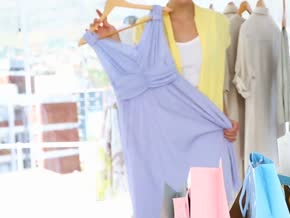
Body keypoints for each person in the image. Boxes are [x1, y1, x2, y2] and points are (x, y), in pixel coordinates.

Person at [89, 0, 240, 142]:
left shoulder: (218, 23)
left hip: (211, 131)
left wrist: (225, 117)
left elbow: (217, 80)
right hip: (168, 133)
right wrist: (114, 42)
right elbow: (137, 83)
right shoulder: (147, 26)